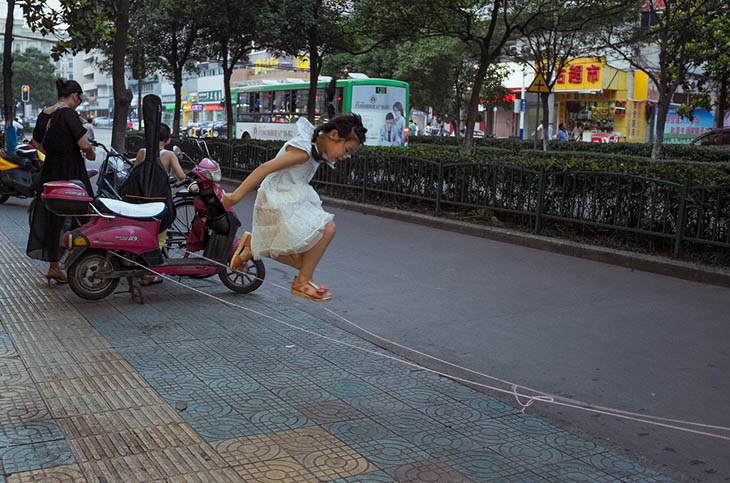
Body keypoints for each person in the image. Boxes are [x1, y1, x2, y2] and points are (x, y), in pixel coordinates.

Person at [223, 114, 367, 302]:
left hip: (293, 197)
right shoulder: (303, 151)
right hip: (277, 198)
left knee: (303, 260)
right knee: (327, 227)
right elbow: (265, 168)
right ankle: (302, 280)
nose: (345, 156)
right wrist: (235, 196)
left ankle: (254, 245)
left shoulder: (318, 145)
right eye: (346, 149)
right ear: (333, 135)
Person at [27, 79, 96, 284]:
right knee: (85, 213)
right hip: (71, 170)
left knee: (53, 218)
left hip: (51, 170)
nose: (79, 103)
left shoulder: (45, 114)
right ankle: (86, 258)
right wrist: (87, 152)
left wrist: (53, 154)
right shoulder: (68, 113)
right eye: (79, 99)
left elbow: (36, 143)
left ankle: (54, 266)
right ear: (74, 95)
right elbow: (83, 144)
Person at [133, 122, 186, 284]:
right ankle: (150, 273)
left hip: (141, 200)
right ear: (168, 140)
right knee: (159, 237)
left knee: (143, 234)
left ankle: (139, 267)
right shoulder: (169, 155)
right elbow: (181, 176)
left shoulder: (142, 152)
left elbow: (134, 173)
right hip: (160, 202)